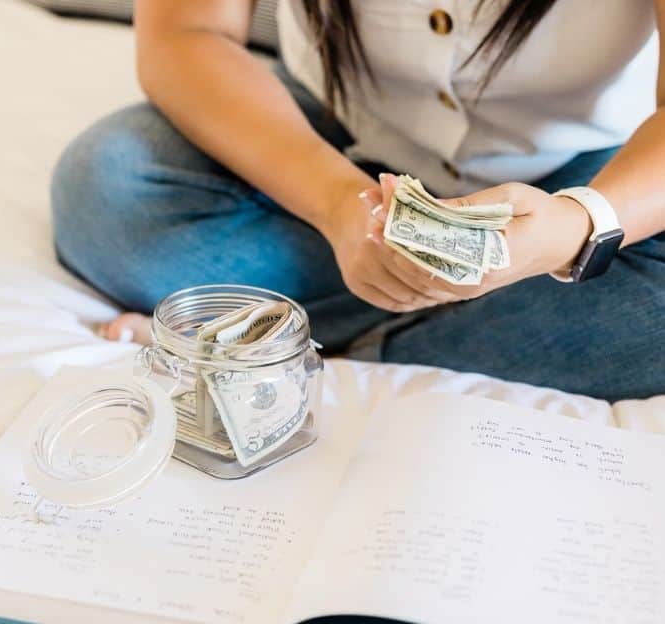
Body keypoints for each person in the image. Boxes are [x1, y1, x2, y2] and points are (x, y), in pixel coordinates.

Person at [51, 0, 665, 401]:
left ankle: (305, 348)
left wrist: (576, 228)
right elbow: (187, 32)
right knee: (111, 184)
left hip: (593, 179)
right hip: (332, 143)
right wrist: (335, 204)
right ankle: (473, 332)